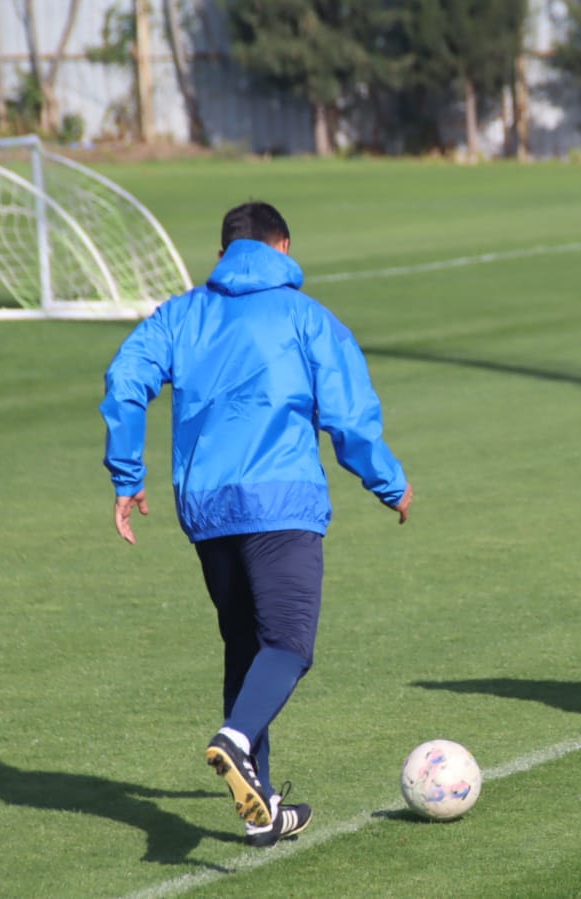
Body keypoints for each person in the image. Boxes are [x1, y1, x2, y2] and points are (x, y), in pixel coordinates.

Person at [101, 201, 413, 847]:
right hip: (282, 502)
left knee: (246, 650)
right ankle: (235, 740)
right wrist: (388, 481)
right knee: (290, 644)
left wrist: (128, 476)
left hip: (207, 508)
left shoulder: (181, 314)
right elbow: (348, 415)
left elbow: (124, 379)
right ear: (284, 246)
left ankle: (263, 807)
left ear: (221, 255)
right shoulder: (306, 317)